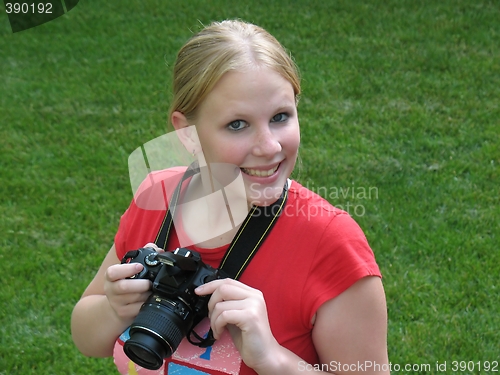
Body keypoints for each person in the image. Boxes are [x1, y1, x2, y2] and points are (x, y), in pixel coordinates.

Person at [71, 20, 389, 375]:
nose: (269, 147)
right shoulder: (158, 198)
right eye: (237, 124)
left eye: (280, 117)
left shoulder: (329, 242)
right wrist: (114, 310)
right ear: (187, 133)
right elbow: (87, 338)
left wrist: (273, 359)